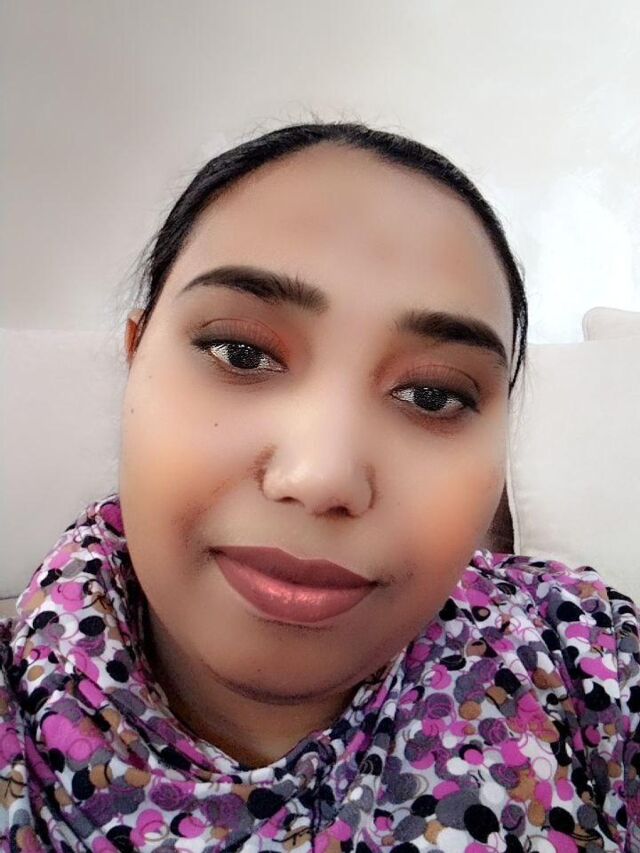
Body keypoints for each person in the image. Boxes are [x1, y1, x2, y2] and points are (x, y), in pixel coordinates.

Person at [1, 122, 638, 853]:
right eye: (241, 352)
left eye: (433, 396)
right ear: (135, 359)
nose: (321, 476)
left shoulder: (584, 650)